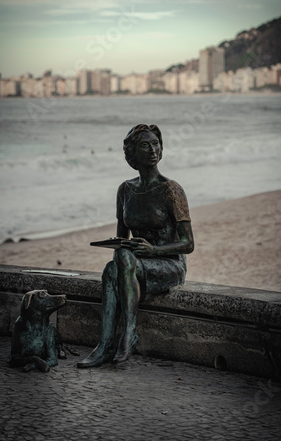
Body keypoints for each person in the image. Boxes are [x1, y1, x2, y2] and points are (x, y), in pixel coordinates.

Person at [77, 124, 194, 368]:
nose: (153, 150)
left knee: (120, 263)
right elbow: (122, 239)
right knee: (112, 268)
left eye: (156, 144)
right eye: (145, 145)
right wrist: (118, 245)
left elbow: (188, 244)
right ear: (132, 154)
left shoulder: (172, 190)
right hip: (135, 263)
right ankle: (105, 343)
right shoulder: (125, 190)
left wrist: (153, 250)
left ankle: (128, 334)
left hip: (169, 263)